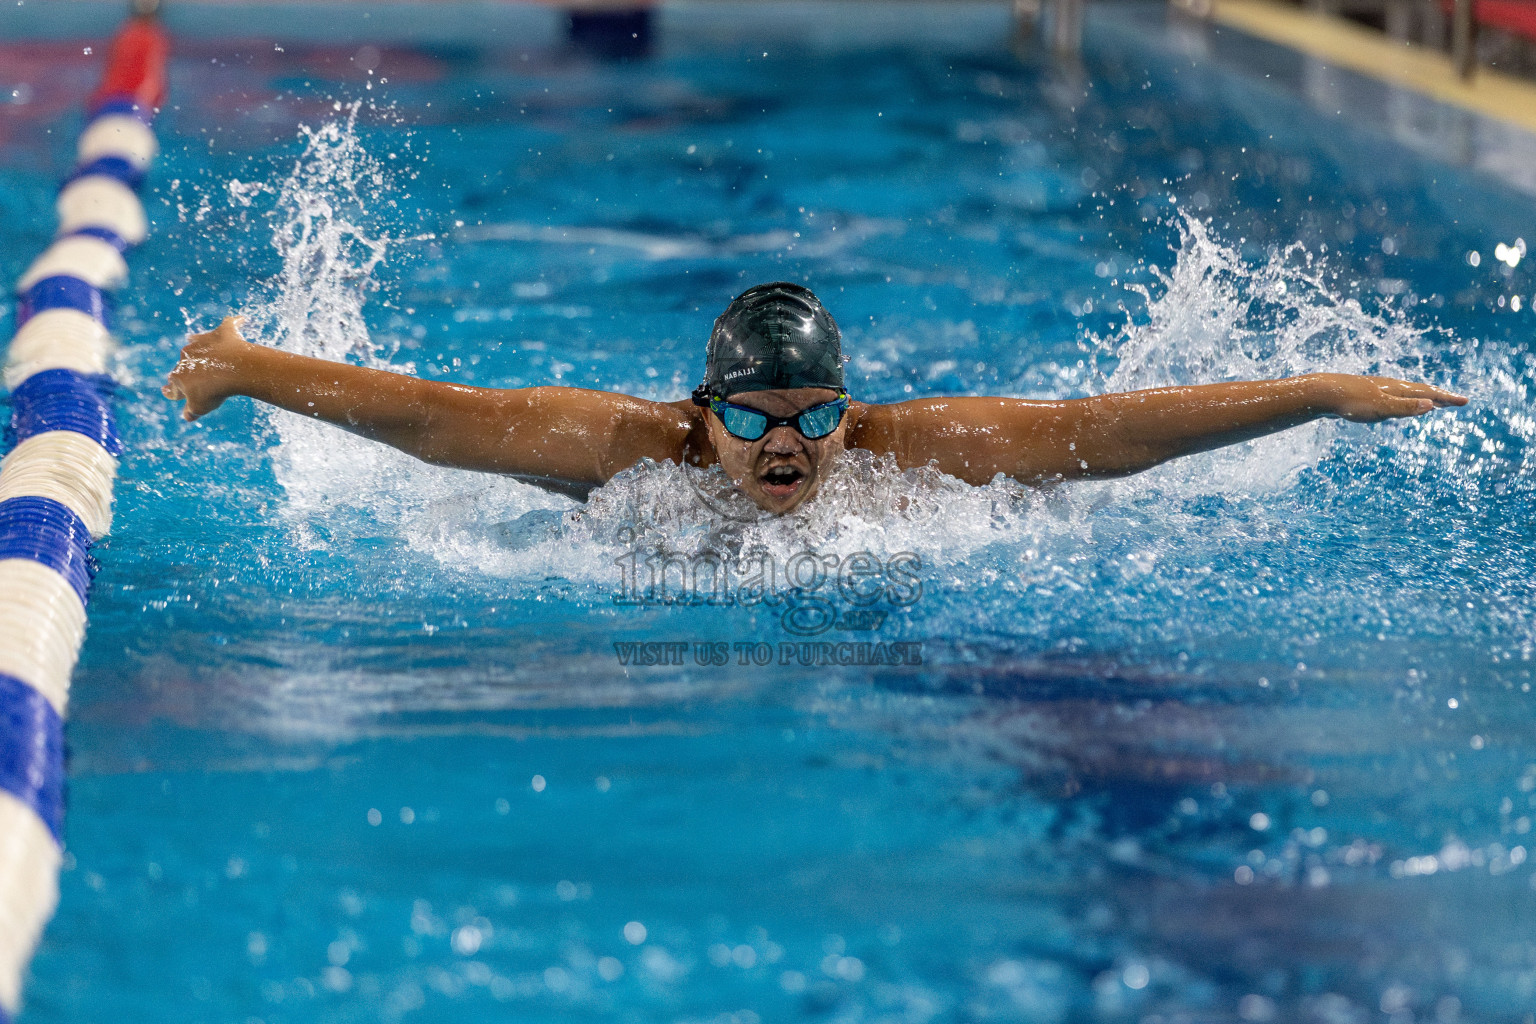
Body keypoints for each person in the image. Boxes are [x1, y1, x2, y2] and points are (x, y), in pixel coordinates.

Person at [162, 282, 1466, 513]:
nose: (784, 447)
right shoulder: (631, 452)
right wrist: (251, 366)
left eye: (812, 416)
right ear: (699, 412)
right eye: (750, 418)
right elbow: (438, 416)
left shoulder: (916, 455)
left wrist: (1317, 393)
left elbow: (1107, 436)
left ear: (852, 408)